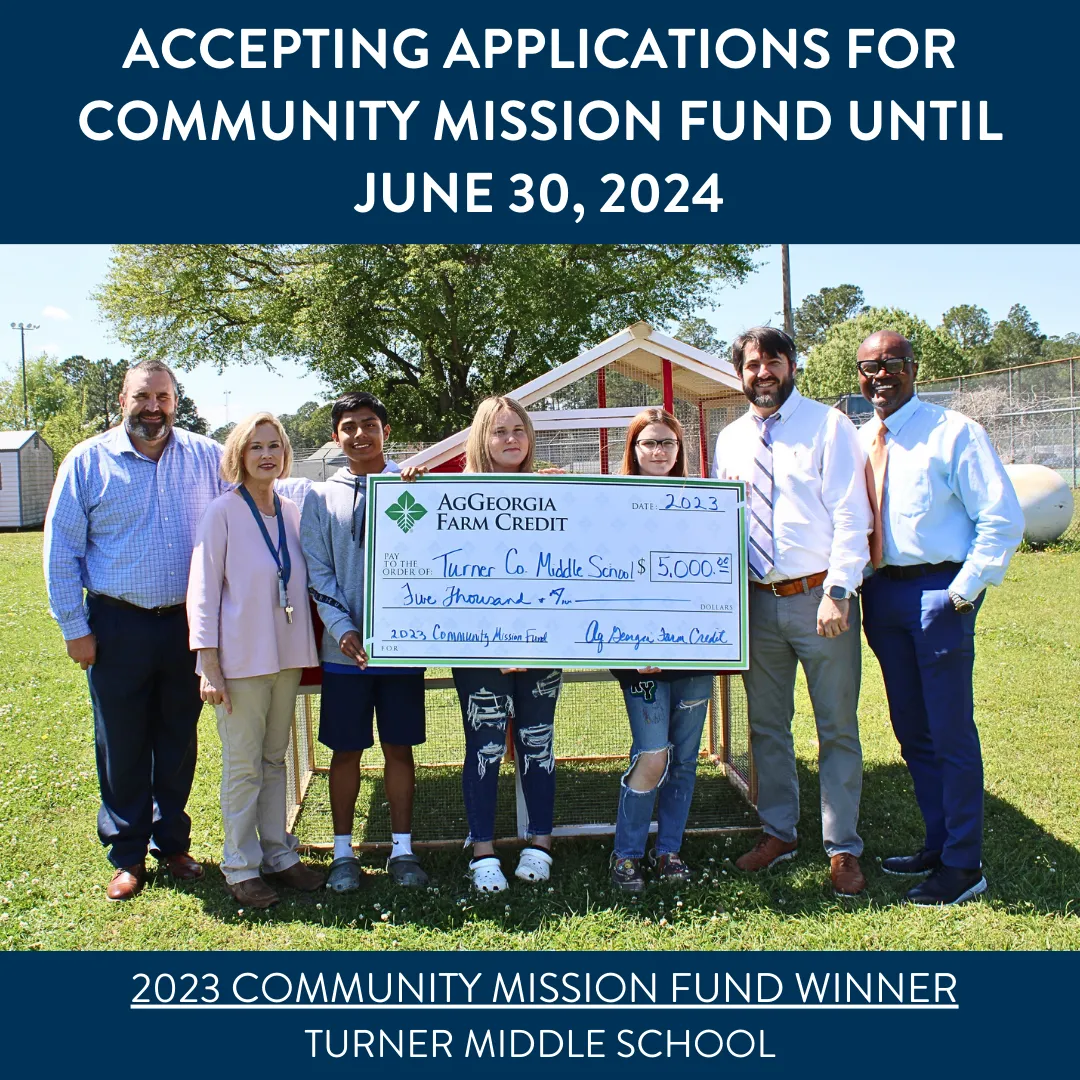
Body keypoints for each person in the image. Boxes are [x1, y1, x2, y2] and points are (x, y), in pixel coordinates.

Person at [43, 359, 226, 901]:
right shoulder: (87, 462)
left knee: (177, 738)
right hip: (116, 624)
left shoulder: (208, 457)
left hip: (186, 626)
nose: (154, 408)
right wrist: (74, 628)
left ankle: (172, 843)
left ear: (176, 400)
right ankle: (127, 856)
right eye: (143, 397)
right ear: (123, 400)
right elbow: (61, 553)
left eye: (163, 397)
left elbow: (262, 491)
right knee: (120, 742)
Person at [857, 330, 1024, 906]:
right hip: (881, 596)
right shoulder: (861, 439)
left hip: (938, 593)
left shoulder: (955, 433)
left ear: (913, 368)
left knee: (950, 731)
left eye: (892, 364)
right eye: (869, 367)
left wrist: (962, 593)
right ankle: (937, 842)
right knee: (912, 731)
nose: (880, 375)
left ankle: (963, 864)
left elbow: (1001, 519)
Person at [712, 327, 872, 897]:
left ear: (792, 366)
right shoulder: (728, 439)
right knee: (766, 728)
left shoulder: (828, 425)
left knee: (837, 727)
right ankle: (779, 832)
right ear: (740, 374)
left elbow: (853, 515)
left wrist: (838, 590)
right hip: (756, 605)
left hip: (818, 600)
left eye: (773, 362)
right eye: (753, 364)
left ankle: (843, 847)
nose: (764, 372)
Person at [187, 412, 325, 908]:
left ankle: (278, 854)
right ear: (238, 456)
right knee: (243, 765)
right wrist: (207, 661)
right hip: (242, 661)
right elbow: (202, 591)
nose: (266, 455)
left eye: (274, 445)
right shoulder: (221, 512)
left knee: (274, 759)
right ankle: (240, 865)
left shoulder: (291, 511)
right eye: (255, 447)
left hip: (285, 655)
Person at [300, 392, 429, 891]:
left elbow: (430, 555)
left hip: (401, 650)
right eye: (349, 426)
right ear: (336, 437)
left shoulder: (410, 488)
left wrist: (417, 494)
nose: (360, 434)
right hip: (343, 654)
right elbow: (318, 571)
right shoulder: (318, 497)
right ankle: (341, 854)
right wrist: (344, 630)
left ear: (386, 431)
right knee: (346, 752)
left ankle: (403, 850)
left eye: (369, 424)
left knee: (400, 749)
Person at [452, 396, 561, 894]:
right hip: (479, 651)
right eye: (499, 431)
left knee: (537, 744)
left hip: (543, 645)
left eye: (519, 428)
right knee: (487, 746)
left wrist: (575, 496)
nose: (511, 438)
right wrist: (408, 484)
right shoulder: (452, 497)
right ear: (481, 438)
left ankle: (540, 843)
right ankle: (483, 851)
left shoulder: (551, 489)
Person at [609, 408, 716, 893]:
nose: (657, 451)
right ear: (632, 449)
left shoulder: (702, 503)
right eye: (648, 443)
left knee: (687, 758)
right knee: (653, 754)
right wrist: (631, 645)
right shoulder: (611, 502)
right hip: (641, 663)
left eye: (667, 443)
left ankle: (669, 850)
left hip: (695, 654)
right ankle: (626, 854)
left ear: (680, 450)